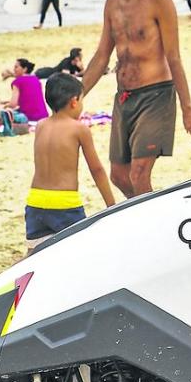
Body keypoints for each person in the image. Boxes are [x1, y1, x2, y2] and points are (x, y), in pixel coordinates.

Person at [81, 0, 191, 199]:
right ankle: (147, 215)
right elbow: (102, 56)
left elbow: (174, 56)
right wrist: (76, 96)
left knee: (139, 174)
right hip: (124, 98)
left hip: (156, 96)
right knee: (119, 176)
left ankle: (153, 228)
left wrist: (187, 107)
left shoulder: (158, 0)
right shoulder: (111, 4)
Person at [25, 73, 117, 251]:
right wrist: (111, 205)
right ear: (74, 101)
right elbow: (96, 169)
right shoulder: (79, 129)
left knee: (36, 254)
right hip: (65, 205)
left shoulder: (41, 125)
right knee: (78, 252)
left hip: (35, 203)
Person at [0, 58, 49, 129]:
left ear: (24, 69)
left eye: (16, 67)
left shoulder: (17, 82)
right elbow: (28, 99)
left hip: (28, 118)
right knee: (1, 115)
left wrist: (4, 106)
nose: (14, 69)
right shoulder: (35, 79)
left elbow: (13, 104)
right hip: (43, 117)